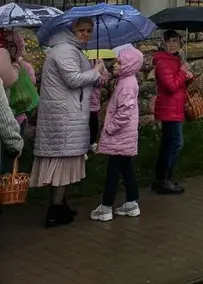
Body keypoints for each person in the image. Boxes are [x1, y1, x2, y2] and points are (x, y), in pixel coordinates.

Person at [32, 17, 104, 228]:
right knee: (60, 163)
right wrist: (96, 71)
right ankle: (54, 211)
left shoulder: (71, 49)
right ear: (72, 29)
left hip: (67, 114)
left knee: (64, 162)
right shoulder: (64, 50)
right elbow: (73, 79)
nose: (85, 34)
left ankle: (61, 205)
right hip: (63, 117)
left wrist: (95, 73)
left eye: (89, 31)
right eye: (81, 30)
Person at [90, 45, 144, 222]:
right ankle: (132, 202)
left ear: (129, 65)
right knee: (126, 168)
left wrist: (110, 127)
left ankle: (105, 207)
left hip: (120, 135)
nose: (115, 65)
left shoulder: (127, 84)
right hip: (124, 136)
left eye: (119, 63)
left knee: (113, 171)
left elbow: (125, 110)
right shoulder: (126, 81)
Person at [152, 30, 193, 194]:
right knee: (175, 143)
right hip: (169, 107)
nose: (172, 44)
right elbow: (170, 86)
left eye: (175, 41)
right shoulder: (163, 62)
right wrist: (183, 71)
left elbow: (179, 84)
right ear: (163, 43)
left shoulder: (175, 60)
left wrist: (187, 76)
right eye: (169, 41)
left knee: (169, 143)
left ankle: (163, 179)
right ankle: (163, 179)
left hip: (174, 107)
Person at [88, 57, 110, 153]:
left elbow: (103, 81)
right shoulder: (83, 62)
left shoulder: (98, 61)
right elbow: (88, 80)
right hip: (83, 101)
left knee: (93, 124)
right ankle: (82, 148)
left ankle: (91, 143)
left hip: (94, 101)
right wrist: (96, 71)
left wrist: (102, 69)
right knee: (83, 126)